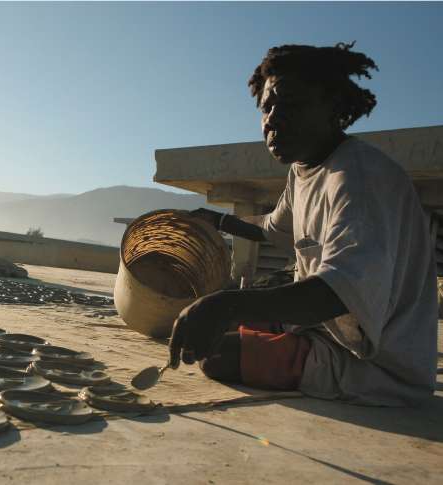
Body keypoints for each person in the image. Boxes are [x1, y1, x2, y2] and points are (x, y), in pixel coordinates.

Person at [171, 43, 438, 406]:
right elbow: (271, 228)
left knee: (216, 354)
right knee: (201, 329)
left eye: (291, 104)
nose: (273, 119)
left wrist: (227, 304)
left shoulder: (358, 178)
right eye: (267, 106)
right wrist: (217, 221)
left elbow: (335, 292)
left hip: (373, 366)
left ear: (333, 108)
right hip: (319, 332)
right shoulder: (304, 170)